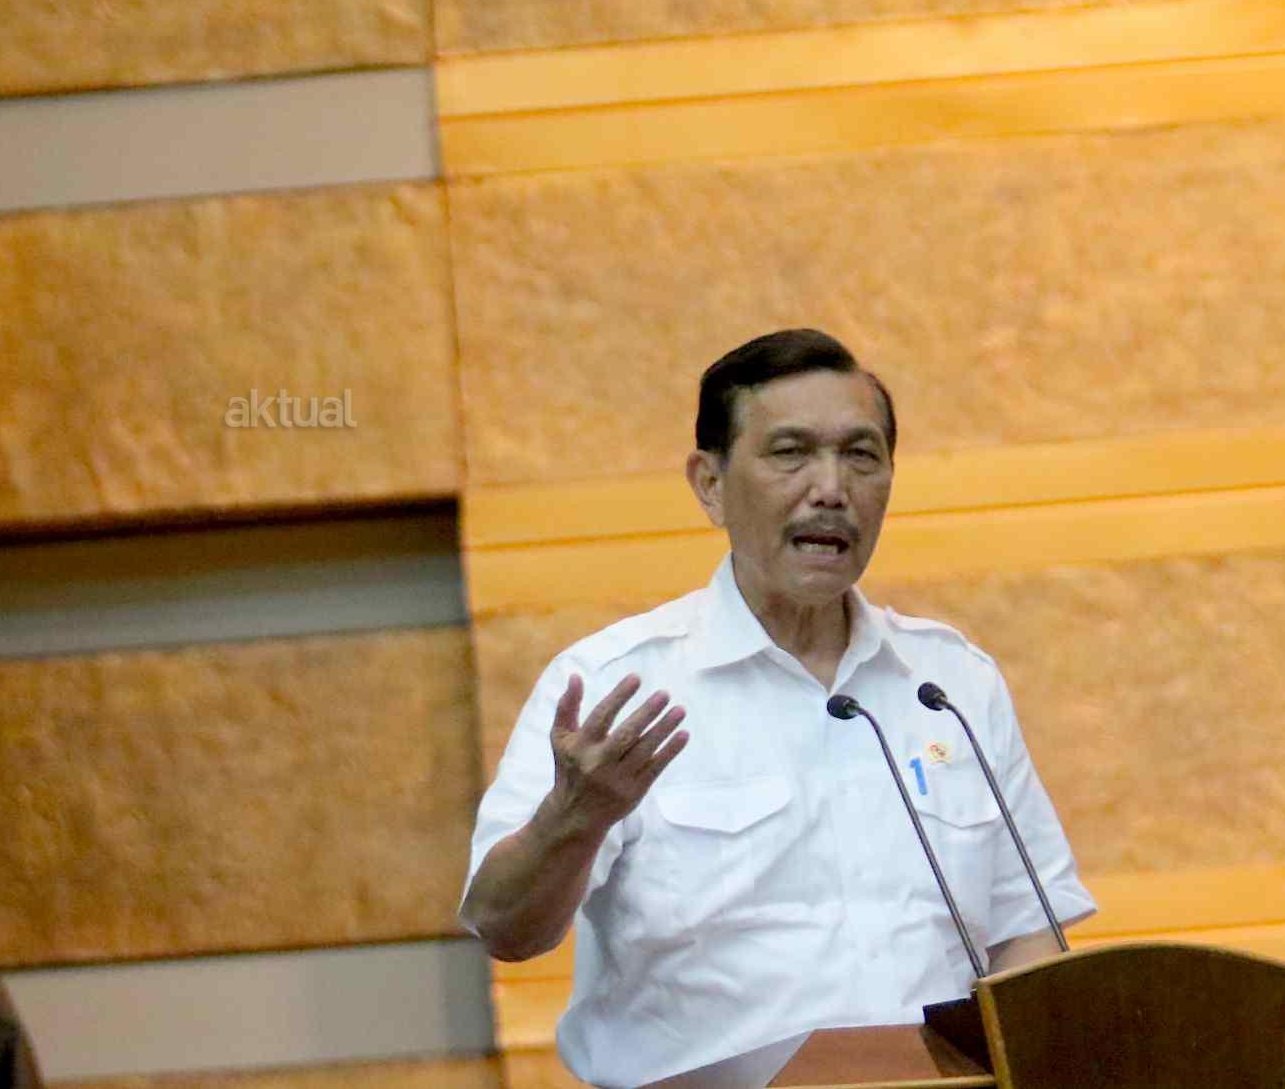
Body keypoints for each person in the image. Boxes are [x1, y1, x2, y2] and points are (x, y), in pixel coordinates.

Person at [459, 329, 1095, 1088]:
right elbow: (503, 927)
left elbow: (1028, 936)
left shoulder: (952, 684)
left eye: (861, 455)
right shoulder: (613, 685)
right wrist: (573, 818)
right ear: (710, 484)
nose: (831, 488)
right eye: (790, 453)